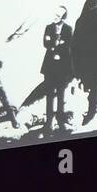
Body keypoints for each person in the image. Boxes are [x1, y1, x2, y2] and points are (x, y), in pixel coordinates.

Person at [38, 7, 74, 135]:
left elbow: (69, 44)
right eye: (55, 14)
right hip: (49, 67)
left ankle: (60, 122)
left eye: (58, 16)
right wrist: (56, 44)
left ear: (63, 17)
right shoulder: (48, 27)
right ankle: (49, 123)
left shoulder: (68, 29)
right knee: (49, 95)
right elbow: (45, 43)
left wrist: (58, 47)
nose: (55, 17)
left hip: (63, 67)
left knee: (60, 95)